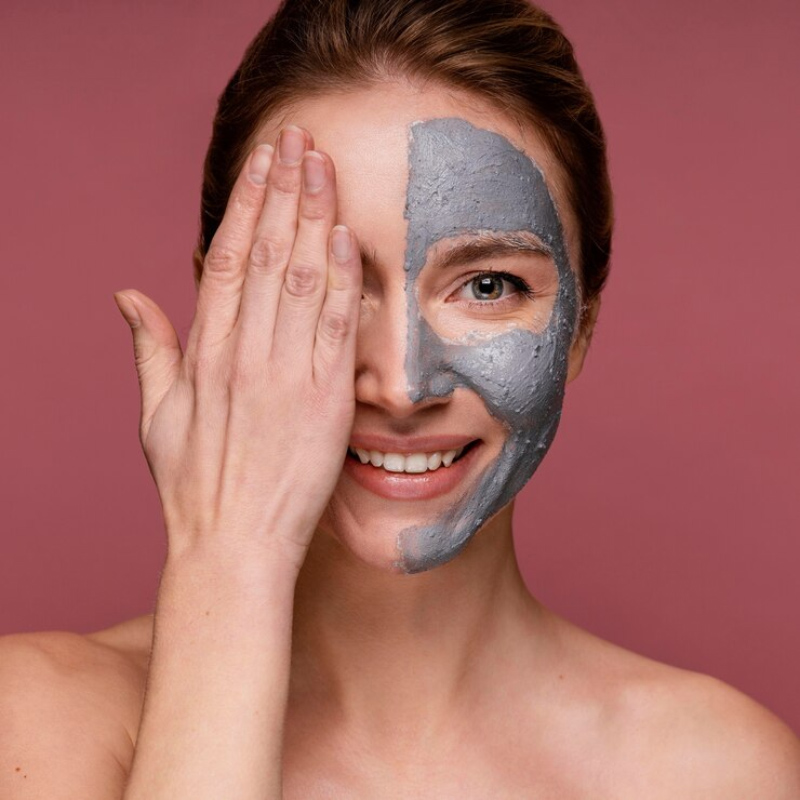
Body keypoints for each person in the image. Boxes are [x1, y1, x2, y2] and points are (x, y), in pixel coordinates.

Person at [1, 0, 798, 796]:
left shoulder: (717, 773)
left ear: (580, 325)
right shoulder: (35, 720)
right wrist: (230, 559)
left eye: (488, 285)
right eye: (327, 281)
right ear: (224, 307)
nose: (402, 384)